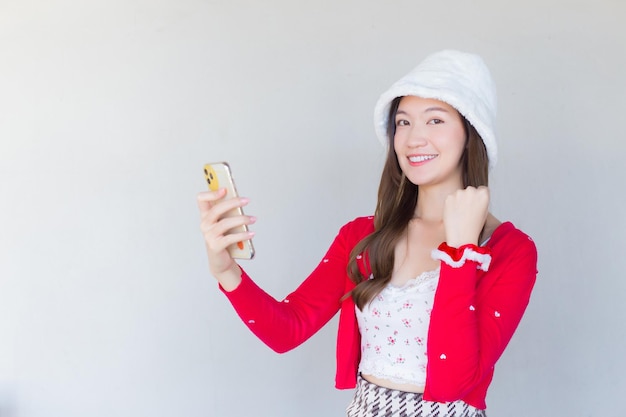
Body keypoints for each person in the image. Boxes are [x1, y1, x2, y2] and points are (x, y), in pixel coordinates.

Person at [197, 49, 538, 416]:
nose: (413, 139)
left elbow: (457, 380)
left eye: (435, 120)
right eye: (403, 122)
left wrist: (460, 252)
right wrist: (225, 271)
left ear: (471, 134)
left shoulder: (510, 251)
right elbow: (287, 331)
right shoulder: (361, 237)